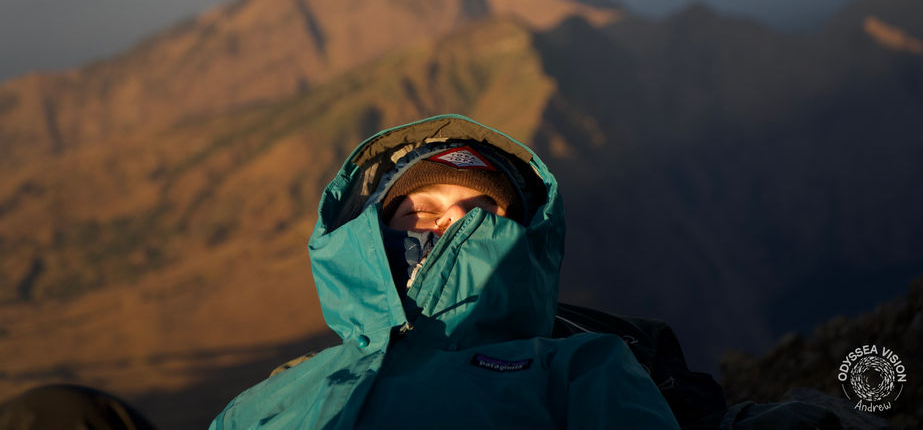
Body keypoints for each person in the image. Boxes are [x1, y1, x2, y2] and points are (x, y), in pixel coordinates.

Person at [210, 114, 681, 429]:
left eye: (480, 211)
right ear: (371, 236)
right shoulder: (263, 403)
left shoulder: (582, 369)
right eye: (418, 210)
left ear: (523, 238)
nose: (450, 220)